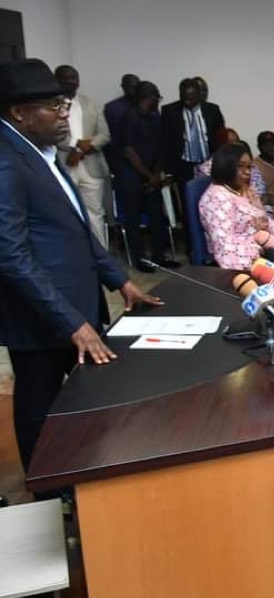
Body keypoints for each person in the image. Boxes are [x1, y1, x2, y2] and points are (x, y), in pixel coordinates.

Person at [0, 58, 161, 473]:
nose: (63, 115)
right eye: (53, 106)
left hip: (75, 307)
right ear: (19, 113)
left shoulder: (41, 152)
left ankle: (80, 475)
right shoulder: (7, 161)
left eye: (63, 105)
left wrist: (120, 281)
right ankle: (48, 492)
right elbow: (12, 256)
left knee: (84, 402)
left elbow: (75, 229)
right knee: (40, 405)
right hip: (42, 319)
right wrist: (71, 321)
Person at [114, 80, 178, 272]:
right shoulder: (128, 117)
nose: (157, 101)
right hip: (130, 177)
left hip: (151, 175)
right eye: (156, 97)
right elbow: (129, 151)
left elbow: (160, 148)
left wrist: (156, 174)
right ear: (146, 98)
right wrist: (148, 176)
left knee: (157, 216)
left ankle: (159, 256)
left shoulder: (154, 117)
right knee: (133, 219)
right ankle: (140, 259)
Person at [198, 143, 274, 270]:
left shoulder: (243, 190)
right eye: (240, 167)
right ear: (225, 166)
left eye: (249, 167)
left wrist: (260, 211)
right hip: (244, 263)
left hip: (266, 251)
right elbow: (224, 247)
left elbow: (266, 224)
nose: (247, 172)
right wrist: (260, 251)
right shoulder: (216, 197)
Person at [53, 64, 111, 248]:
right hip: (65, 166)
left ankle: (102, 257)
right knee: (67, 214)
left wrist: (84, 148)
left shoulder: (92, 104)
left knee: (95, 214)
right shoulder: (51, 106)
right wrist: (75, 145)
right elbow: (53, 134)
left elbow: (105, 135)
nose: (71, 81)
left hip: (92, 168)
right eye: (67, 78)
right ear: (57, 80)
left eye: (74, 77)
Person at [161, 77, 225, 191]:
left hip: (209, 163)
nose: (187, 101)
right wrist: (168, 171)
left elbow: (221, 138)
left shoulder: (212, 110)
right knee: (187, 199)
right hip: (183, 166)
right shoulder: (170, 111)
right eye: (184, 97)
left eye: (191, 98)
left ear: (199, 95)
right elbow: (165, 142)